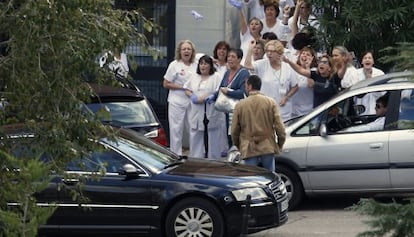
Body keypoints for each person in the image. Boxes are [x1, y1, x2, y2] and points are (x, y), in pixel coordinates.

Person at [231, 74, 286, 172]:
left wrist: (239, 145)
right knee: (269, 177)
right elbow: (279, 127)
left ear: (249, 86)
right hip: (267, 145)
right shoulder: (270, 102)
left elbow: (234, 130)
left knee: (251, 178)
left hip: (249, 147)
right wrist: (279, 144)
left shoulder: (240, 105)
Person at [244, 39, 298, 121]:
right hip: (265, 109)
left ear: (279, 53)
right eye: (268, 51)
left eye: (272, 51)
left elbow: (295, 86)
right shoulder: (262, 64)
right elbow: (247, 65)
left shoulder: (288, 67)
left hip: (283, 110)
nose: (269, 54)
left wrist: (287, 97)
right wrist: (250, 49)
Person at [207, 48, 250, 148]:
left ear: (239, 59)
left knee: (238, 138)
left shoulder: (244, 73)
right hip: (228, 111)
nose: (230, 59)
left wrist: (229, 92)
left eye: (233, 57)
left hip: (239, 112)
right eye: (229, 56)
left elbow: (244, 93)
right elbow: (221, 88)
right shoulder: (227, 72)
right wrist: (214, 96)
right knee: (230, 138)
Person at [183, 55, 224, 159]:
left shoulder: (216, 76)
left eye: (206, 63)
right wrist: (192, 96)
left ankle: (214, 160)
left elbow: (219, 90)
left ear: (210, 65)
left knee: (213, 137)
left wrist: (207, 97)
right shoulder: (194, 76)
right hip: (196, 111)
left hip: (211, 110)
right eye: (201, 63)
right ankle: (196, 159)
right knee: (196, 136)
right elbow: (186, 89)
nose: (203, 66)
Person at [163, 40, 197, 156]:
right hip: (176, 102)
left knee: (193, 128)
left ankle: (195, 156)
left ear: (192, 52)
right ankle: (175, 155)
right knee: (176, 130)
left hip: (192, 102)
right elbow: (166, 83)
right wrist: (182, 87)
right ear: (180, 51)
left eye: (189, 49)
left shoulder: (196, 65)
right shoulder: (174, 65)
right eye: (184, 49)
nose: (186, 51)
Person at [229, 0, 263, 65]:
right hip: (243, 65)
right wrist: (240, 10)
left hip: (257, 66)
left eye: (256, 24)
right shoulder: (246, 35)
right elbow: (243, 22)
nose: (254, 26)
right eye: (252, 24)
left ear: (261, 27)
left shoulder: (262, 39)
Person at [289, 46, 317, 116]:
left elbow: (311, 85)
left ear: (312, 58)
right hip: (293, 110)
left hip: (307, 110)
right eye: (303, 53)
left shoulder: (314, 71)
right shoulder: (293, 70)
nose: (305, 56)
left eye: (308, 55)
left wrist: (307, 67)